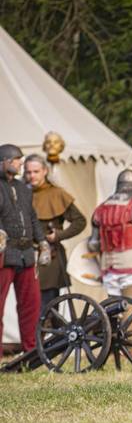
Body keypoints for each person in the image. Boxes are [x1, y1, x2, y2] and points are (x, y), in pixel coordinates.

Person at [0, 145, 50, 358]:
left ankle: (31, 351)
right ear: (4, 162)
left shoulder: (23, 189)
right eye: (16, 160)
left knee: (31, 305)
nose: (21, 163)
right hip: (4, 254)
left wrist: (43, 243)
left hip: (26, 254)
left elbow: (32, 218)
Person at [23, 154, 86, 310]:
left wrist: (58, 235)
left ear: (44, 171)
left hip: (50, 258)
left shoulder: (57, 194)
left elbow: (80, 221)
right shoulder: (20, 193)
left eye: (36, 171)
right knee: (28, 306)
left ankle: (50, 334)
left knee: (48, 306)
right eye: (29, 172)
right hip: (25, 256)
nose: (32, 176)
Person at [88, 170, 132, 301]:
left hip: (108, 267)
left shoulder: (100, 210)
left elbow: (93, 244)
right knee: (130, 310)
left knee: (113, 310)